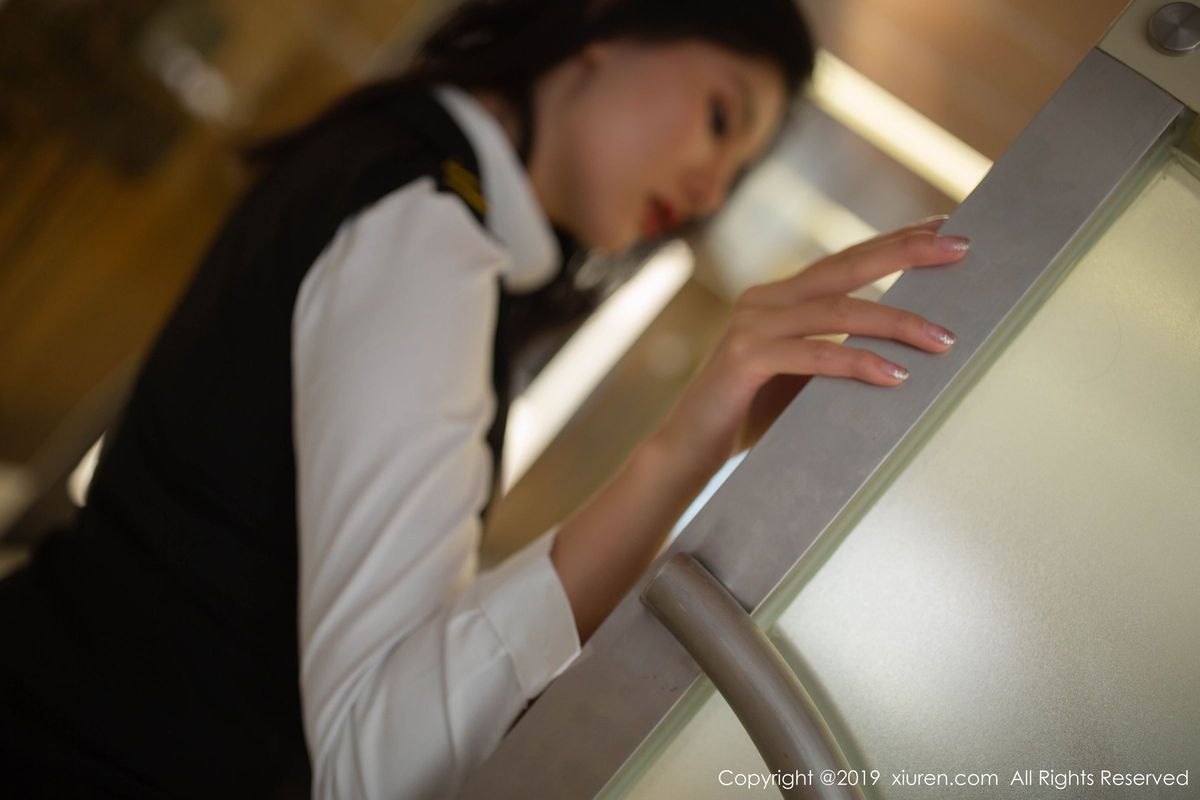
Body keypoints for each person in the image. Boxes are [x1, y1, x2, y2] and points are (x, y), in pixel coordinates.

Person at [0, 0, 968, 797]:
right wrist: (683, 449)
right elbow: (373, 762)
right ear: (605, 26)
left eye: (738, 170)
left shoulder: (400, 173)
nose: (713, 185)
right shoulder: (429, 229)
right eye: (721, 116)